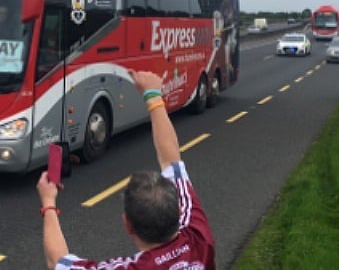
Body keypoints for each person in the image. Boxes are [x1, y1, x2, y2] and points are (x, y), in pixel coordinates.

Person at [36, 70, 216, 269]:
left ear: (127, 224)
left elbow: (58, 262)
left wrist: (48, 201)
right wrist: (153, 95)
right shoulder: (199, 238)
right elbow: (171, 159)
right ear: (179, 210)